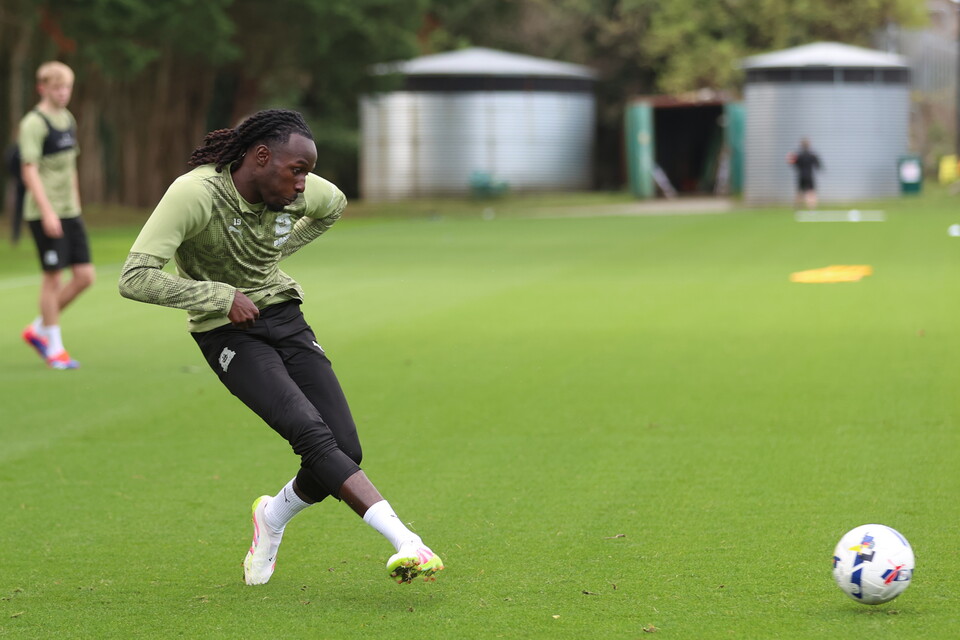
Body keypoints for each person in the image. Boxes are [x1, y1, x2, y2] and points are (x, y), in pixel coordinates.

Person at [118, 109, 443, 586]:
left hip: (284, 315)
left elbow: (334, 205)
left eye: (307, 173)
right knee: (310, 432)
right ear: (260, 157)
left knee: (345, 448)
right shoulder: (195, 193)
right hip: (225, 332)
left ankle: (271, 517)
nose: (302, 185)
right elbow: (134, 277)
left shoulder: (299, 190)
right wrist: (220, 296)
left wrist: (273, 250)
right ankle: (407, 541)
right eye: (296, 171)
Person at [19, 61, 95, 370]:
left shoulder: (67, 119)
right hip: (44, 213)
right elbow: (29, 171)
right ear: (43, 89)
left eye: (67, 88)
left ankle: (38, 329)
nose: (63, 93)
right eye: (57, 88)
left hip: (69, 211)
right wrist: (48, 212)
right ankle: (55, 349)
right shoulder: (33, 123)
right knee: (53, 278)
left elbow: (70, 166)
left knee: (85, 276)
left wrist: (75, 204)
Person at [787, 138, 822, 209]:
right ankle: (812, 209)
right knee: (811, 192)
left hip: (801, 176)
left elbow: (793, 164)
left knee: (799, 192)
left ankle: (797, 208)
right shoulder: (812, 155)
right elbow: (818, 166)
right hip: (809, 176)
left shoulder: (798, 155)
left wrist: (790, 159)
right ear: (809, 145)